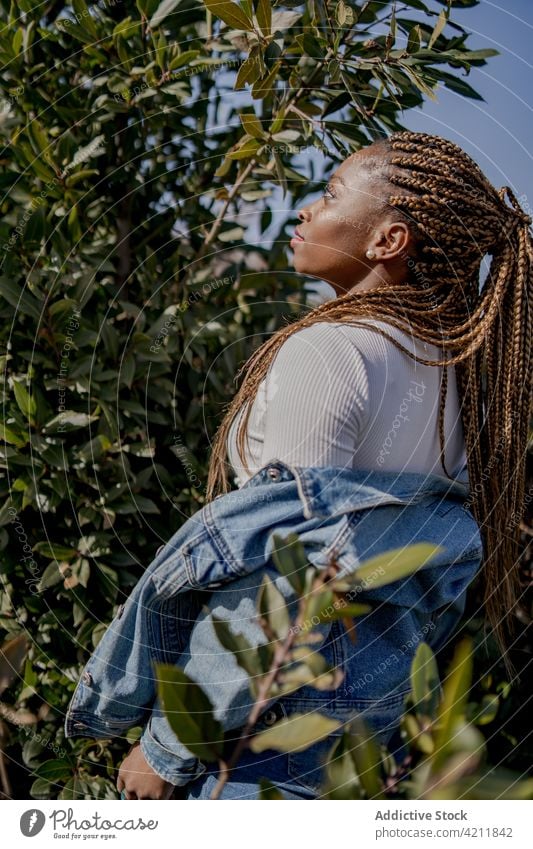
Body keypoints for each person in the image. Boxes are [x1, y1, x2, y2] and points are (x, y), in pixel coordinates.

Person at [115, 130, 532, 799]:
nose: (306, 210)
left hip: (259, 733)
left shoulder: (334, 352)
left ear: (387, 240)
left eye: (332, 193)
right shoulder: (470, 386)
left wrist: (168, 745)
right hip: (371, 740)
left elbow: (282, 576)